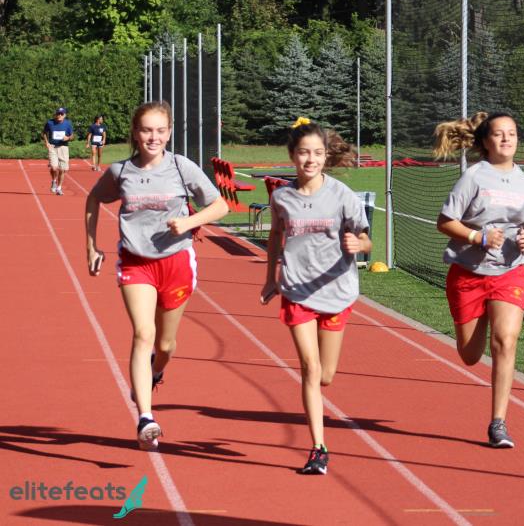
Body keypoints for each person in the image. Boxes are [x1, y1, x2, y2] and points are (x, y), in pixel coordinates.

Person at [84, 101, 228, 450]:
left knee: (164, 345)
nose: (153, 137)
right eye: (147, 130)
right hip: (136, 262)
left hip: (176, 262)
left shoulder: (181, 167)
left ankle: (156, 370)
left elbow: (220, 205)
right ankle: (146, 418)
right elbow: (93, 200)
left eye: (160, 130)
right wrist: (91, 246)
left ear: (169, 132)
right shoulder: (120, 172)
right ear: (135, 133)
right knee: (143, 333)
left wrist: (190, 222)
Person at [260, 117, 371, 475]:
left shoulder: (342, 195)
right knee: (310, 368)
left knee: (326, 375)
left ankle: (318, 418)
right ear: (292, 155)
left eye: (318, 153)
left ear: (326, 156)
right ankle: (319, 448)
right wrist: (270, 278)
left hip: (336, 290)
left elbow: (366, 238)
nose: (311, 159)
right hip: (297, 290)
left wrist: (359, 245)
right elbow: (275, 236)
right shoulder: (281, 197)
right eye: (304, 153)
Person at [434, 112, 524, 448]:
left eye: (512, 133)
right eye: (499, 133)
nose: (507, 139)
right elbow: (444, 221)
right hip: (468, 273)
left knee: (506, 341)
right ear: (485, 141)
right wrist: (477, 237)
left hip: (509, 271)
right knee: (470, 355)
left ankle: (498, 423)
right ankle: (473, 322)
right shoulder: (473, 177)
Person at [43, 107, 74, 195]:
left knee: (62, 169)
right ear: (56, 114)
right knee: (54, 167)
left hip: (63, 148)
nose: (59, 115)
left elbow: (72, 136)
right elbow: (44, 133)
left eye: (61, 114)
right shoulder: (50, 123)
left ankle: (59, 188)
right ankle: (54, 181)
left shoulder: (68, 123)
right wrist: (46, 142)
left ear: (64, 115)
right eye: (58, 113)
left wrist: (68, 138)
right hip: (52, 147)